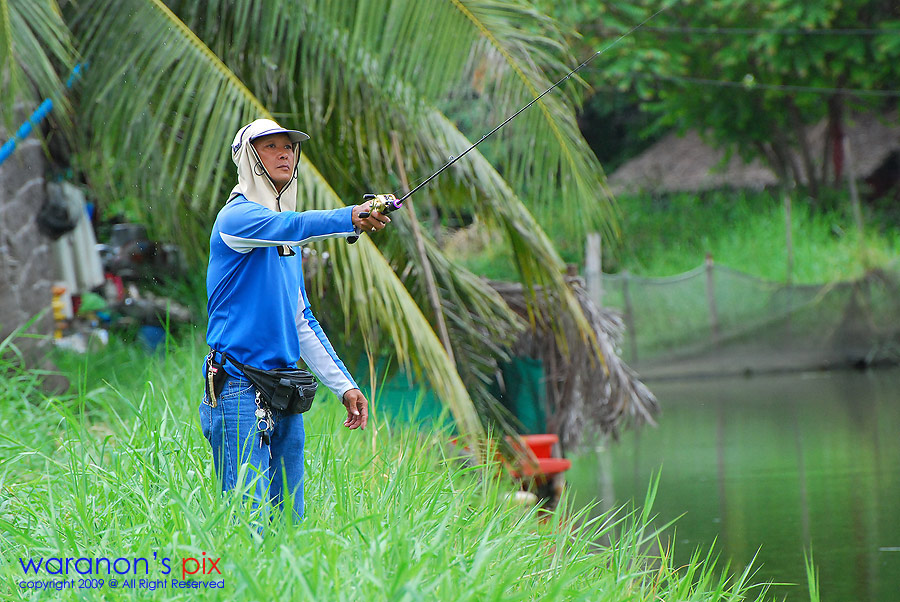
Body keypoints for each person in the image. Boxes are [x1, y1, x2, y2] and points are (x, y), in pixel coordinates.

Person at [200, 118, 390, 522]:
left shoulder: (285, 239)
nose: (283, 152)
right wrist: (351, 216)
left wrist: (344, 385)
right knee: (244, 526)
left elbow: (301, 319)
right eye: (269, 147)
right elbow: (292, 224)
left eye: (288, 146)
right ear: (248, 158)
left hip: (283, 390)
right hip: (236, 388)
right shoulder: (237, 220)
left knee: (290, 524)